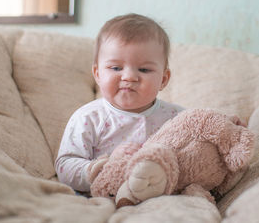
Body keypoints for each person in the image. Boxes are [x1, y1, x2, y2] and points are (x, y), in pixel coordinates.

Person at [55, 13, 184, 193]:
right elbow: (65, 166)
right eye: (116, 68)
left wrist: (231, 126)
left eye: (144, 69)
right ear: (98, 74)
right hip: (103, 197)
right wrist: (102, 168)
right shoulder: (88, 118)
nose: (129, 77)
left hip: (158, 199)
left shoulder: (176, 118)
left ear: (163, 79)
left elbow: (204, 129)